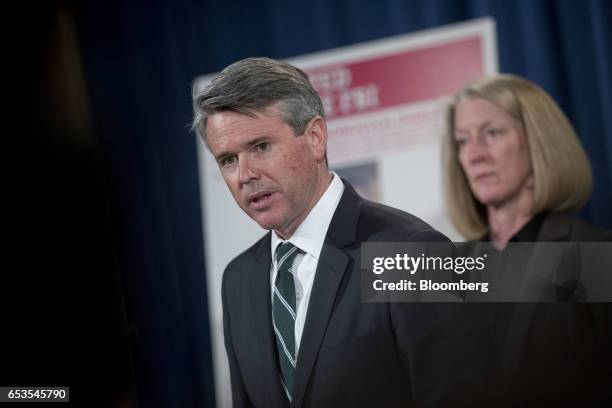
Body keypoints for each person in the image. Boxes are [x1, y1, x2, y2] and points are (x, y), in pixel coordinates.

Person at [192, 57, 491, 408]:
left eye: (261, 147)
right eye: (228, 160)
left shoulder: (412, 252)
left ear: (316, 137)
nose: (244, 174)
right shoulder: (239, 280)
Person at [441, 74, 612, 405]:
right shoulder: (447, 269)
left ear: (539, 141)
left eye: (492, 133)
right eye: (463, 141)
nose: (474, 155)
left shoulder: (598, 254)